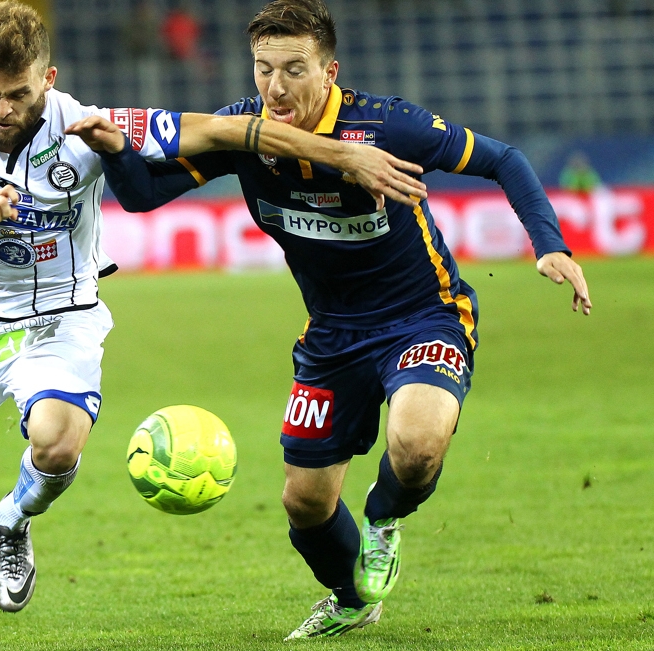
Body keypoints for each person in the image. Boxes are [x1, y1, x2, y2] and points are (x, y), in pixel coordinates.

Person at [0, 2, 429, 649]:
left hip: (57, 318)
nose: (3, 108)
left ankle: (13, 519)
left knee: (56, 442)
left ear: (48, 80)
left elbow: (225, 132)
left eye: (18, 94)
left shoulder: (87, 126)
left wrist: (342, 158)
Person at [67, 0, 592, 640]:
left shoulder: (386, 124)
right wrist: (117, 147)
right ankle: (351, 597)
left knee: (418, 445)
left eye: (294, 69)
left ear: (329, 70)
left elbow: (503, 159)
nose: (276, 87)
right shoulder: (243, 131)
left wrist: (550, 244)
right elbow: (142, 195)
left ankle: (383, 520)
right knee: (304, 502)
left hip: (422, 316)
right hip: (332, 336)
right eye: (263, 70)